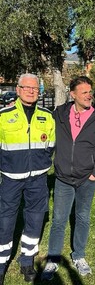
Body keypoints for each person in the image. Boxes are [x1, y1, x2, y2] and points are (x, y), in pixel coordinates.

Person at [41, 76, 95, 281]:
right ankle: (53, 259)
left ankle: (79, 255)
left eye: (90, 92)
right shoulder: (60, 114)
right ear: (73, 94)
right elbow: (43, 127)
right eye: (84, 92)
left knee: (82, 217)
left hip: (86, 178)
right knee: (59, 220)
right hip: (63, 177)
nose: (89, 95)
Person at [0, 73, 55, 284]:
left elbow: (50, 144)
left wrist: (40, 163)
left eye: (35, 88)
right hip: (11, 178)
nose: (31, 91)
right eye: (27, 87)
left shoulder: (46, 116)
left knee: (35, 218)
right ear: (18, 89)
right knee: (5, 220)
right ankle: (2, 262)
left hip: (38, 179)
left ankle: (27, 260)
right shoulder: (4, 115)